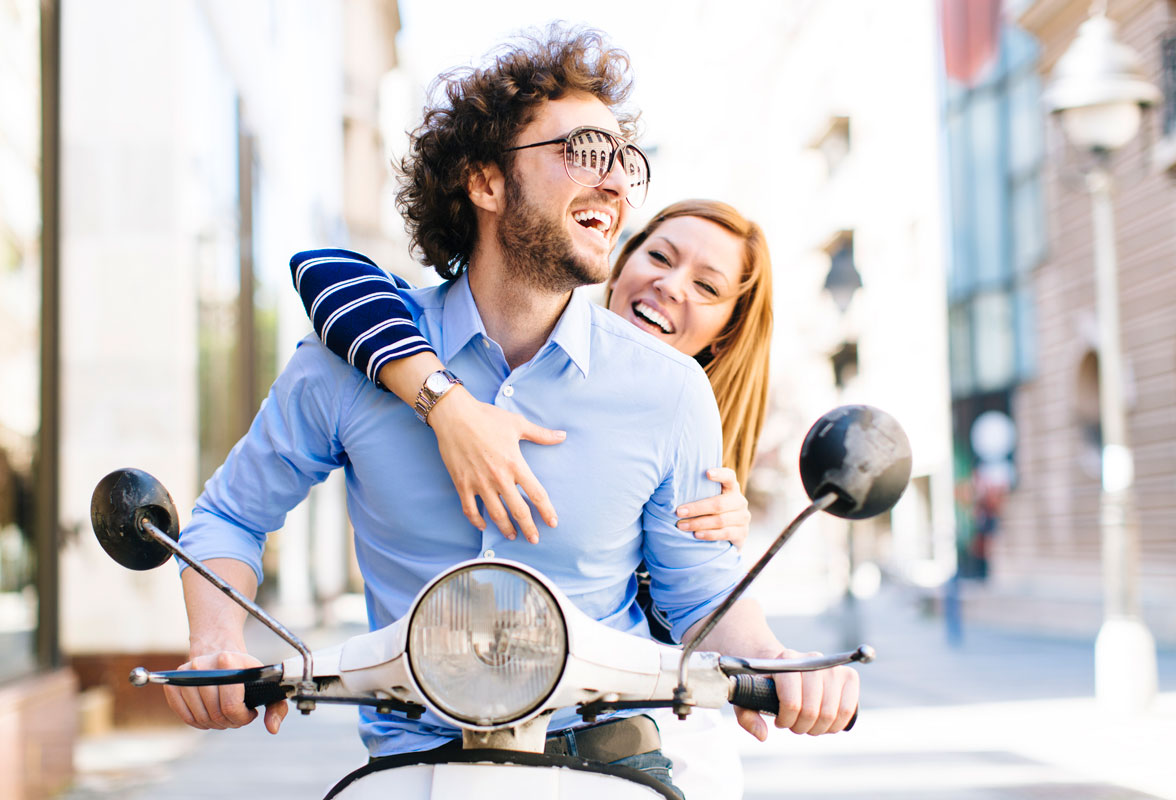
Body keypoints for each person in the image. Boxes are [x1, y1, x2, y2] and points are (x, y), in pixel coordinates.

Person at [167, 27, 857, 797]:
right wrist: (217, 642)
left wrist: (779, 660)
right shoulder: (353, 359)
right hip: (409, 763)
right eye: (582, 153)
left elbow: (700, 595)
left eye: (623, 163)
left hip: (606, 761)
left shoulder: (669, 391)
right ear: (486, 182)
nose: (616, 183)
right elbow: (229, 515)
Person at [292, 199, 772, 799]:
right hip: (444, 742)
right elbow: (327, 272)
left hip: (642, 732)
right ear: (619, 263)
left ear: (728, 327)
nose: (671, 286)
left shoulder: (691, 422)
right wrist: (447, 406)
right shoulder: (525, 362)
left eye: (706, 286)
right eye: (658, 257)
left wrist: (770, 658)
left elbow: (703, 592)